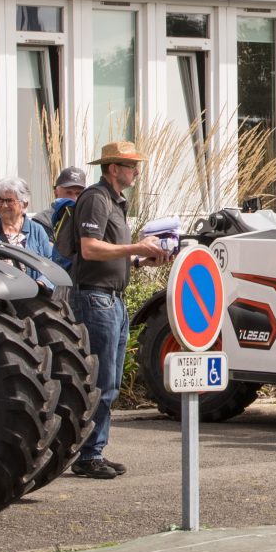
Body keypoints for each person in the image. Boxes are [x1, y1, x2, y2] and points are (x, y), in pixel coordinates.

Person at [65, 140, 172, 480]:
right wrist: (136, 246)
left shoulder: (115, 201)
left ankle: (94, 451)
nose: (136, 171)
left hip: (112, 298)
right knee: (101, 380)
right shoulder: (96, 199)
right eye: (130, 166)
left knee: (106, 379)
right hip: (96, 298)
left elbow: (110, 254)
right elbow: (91, 249)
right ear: (113, 168)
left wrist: (139, 260)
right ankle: (88, 454)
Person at [0, 176, 56, 262]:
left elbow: (50, 265)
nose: (4, 205)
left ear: (24, 204)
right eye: (0, 200)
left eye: (9, 201)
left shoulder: (36, 231)